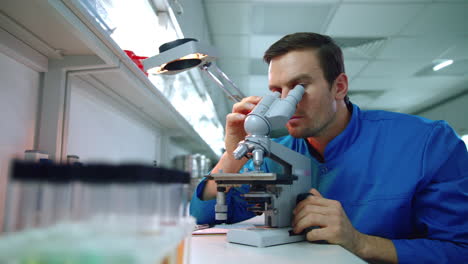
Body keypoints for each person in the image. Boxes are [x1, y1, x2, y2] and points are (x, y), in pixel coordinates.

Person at [189, 32, 468, 263]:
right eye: (277, 91)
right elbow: (203, 216)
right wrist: (231, 155)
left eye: (299, 87)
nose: (288, 102)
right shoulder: (277, 153)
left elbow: (459, 250)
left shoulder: (426, 143)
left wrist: (360, 243)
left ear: (339, 87)